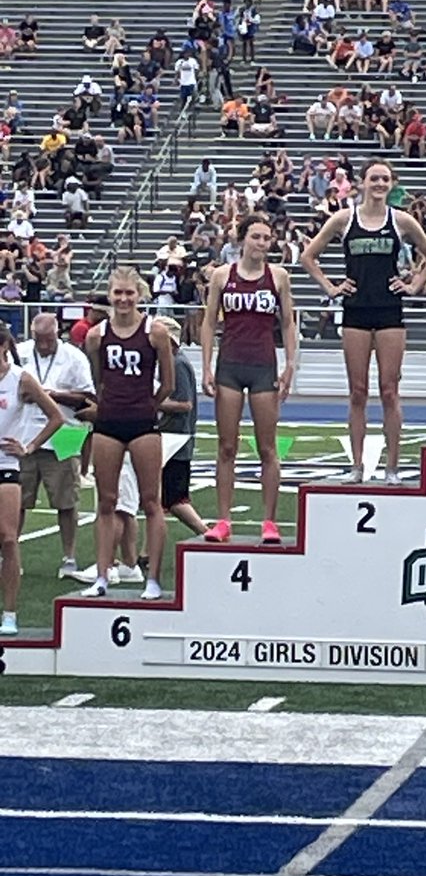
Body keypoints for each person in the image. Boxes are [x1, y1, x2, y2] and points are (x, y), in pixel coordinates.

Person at [301, 159, 426, 484]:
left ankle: (392, 468)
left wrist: (414, 285)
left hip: (389, 310)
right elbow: (308, 256)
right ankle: (357, 466)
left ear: (392, 184)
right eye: (374, 178)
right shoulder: (344, 219)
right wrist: (331, 287)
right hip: (356, 311)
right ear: (361, 182)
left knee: (390, 391)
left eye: (385, 179)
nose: (379, 184)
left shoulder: (401, 220)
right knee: (358, 392)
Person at [201, 214, 296, 545]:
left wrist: (290, 366)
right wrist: (206, 367)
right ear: (242, 239)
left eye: (267, 238)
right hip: (230, 365)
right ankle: (223, 520)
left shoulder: (278, 277)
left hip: (263, 366)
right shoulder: (222, 276)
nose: (262, 243)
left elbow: (288, 323)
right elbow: (209, 322)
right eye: (256, 236)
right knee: (226, 446)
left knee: (267, 447)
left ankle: (269, 521)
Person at [82, 266, 174, 600]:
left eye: (129, 293)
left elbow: (168, 383)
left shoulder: (156, 332)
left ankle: (153, 579)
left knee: (151, 501)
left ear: (139, 295)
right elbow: (98, 381)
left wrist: (148, 405)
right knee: (106, 501)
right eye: (117, 293)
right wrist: (109, 406)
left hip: (143, 424)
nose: (123, 299)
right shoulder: (96, 336)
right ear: (109, 295)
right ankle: (102, 575)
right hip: (108, 424)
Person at [18, 313, 96, 578]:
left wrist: (51, 395)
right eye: (39, 340)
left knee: (67, 500)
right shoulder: (20, 353)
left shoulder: (74, 357)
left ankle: (69, 556)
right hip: (24, 432)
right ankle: (10, 554)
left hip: (66, 432)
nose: (43, 345)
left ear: (58, 334)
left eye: (48, 340)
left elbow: (88, 397)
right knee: (16, 499)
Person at [0, 324, 64, 634]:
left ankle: (9, 613)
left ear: (3, 347)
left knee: (8, 537)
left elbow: (56, 417)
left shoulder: (20, 379)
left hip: (6, 464)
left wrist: (30, 446)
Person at [154, 316, 209, 537]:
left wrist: (151, 403)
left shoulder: (177, 364)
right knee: (158, 498)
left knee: (174, 499)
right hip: (170, 437)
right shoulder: (171, 362)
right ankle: (147, 551)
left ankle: (206, 534)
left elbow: (185, 404)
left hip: (175, 439)